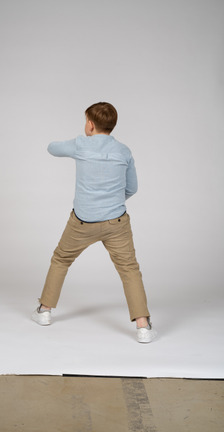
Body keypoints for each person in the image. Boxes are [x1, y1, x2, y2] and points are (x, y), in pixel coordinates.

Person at [32, 102, 157, 343]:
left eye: (85, 121)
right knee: (129, 269)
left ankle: (45, 311)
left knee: (61, 260)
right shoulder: (124, 151)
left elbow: (52, 148)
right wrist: (110, 203)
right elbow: (133, 188)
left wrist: (79, 142)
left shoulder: (80, 144)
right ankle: (143, 326)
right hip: (116, 223)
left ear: (90, 124)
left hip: (82, 223)